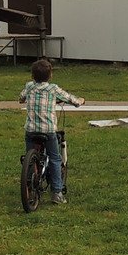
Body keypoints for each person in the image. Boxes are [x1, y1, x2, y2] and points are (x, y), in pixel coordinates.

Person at [19, 57, 83, 204]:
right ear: (50, 76)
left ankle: (30, 182)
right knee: (55, 159)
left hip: (30, 130)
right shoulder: (53, 89)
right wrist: (80, 100)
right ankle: (57, 193)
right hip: (48, 131)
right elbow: (71, 99)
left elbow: (21, 98)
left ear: (32, 76)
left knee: (29, 160)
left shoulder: (29, 86)